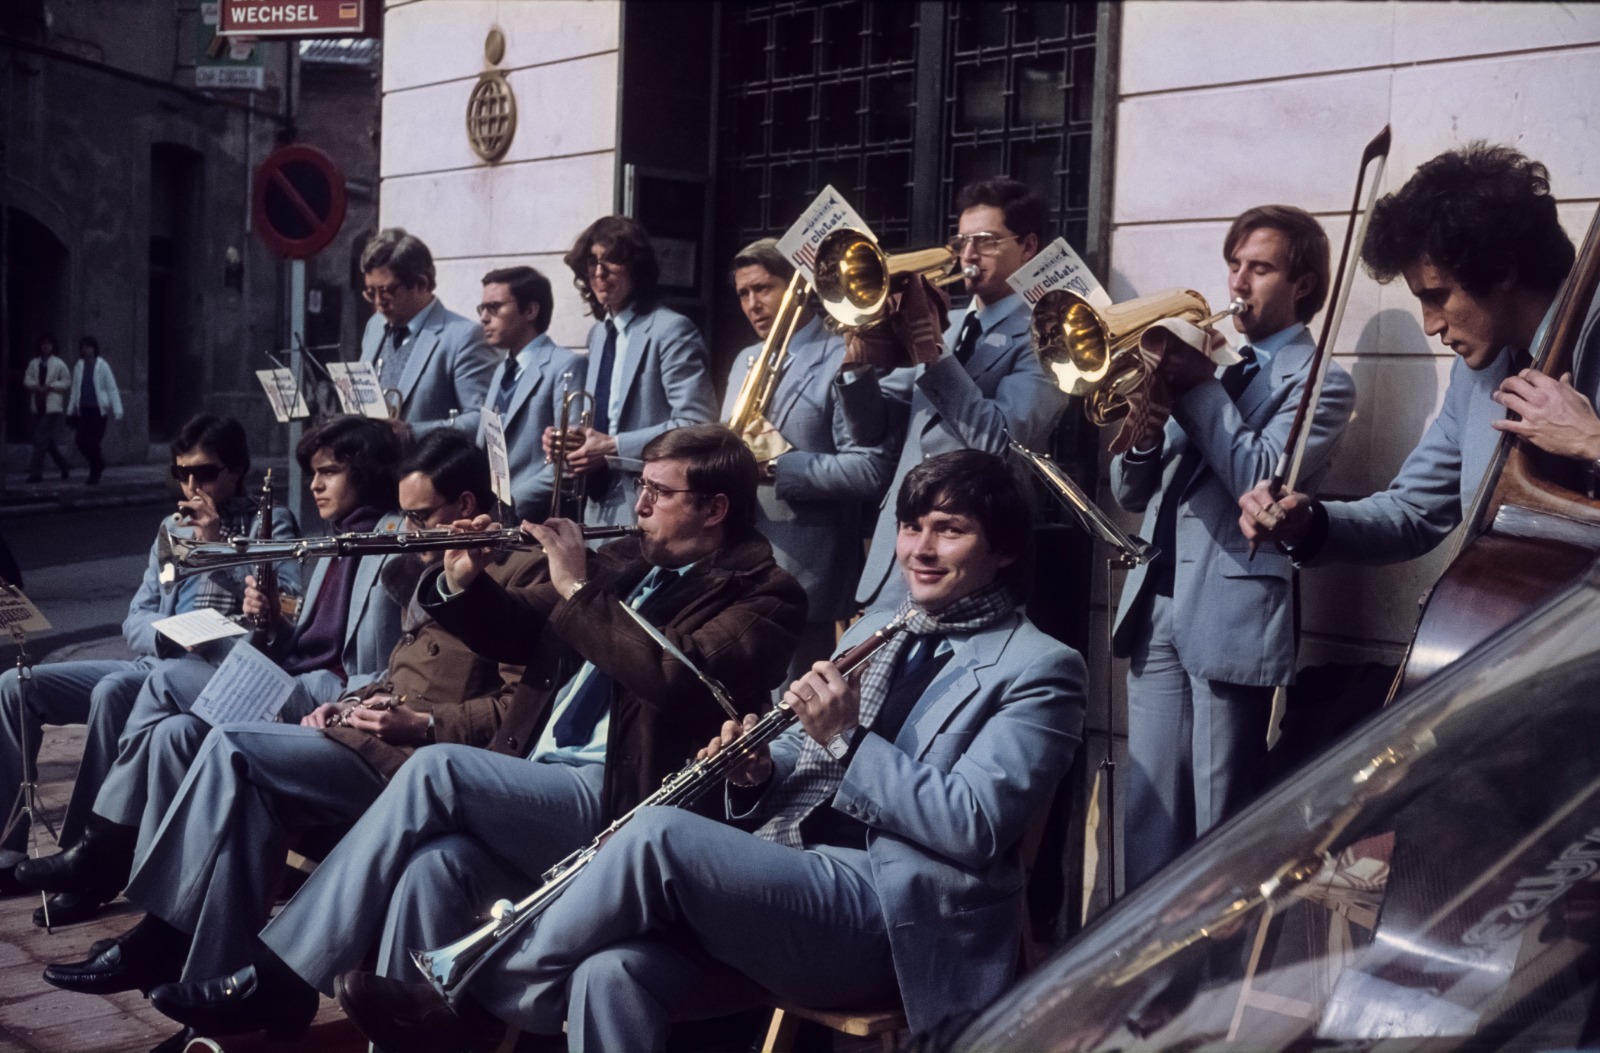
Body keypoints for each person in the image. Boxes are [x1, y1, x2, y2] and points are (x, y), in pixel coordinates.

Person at [324, 449, 1084, 1053]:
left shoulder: (1041, 666)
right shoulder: (885, 626)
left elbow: (978, 827)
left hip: (896, 915)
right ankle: (464, 994)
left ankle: (461, 994)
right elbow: (798, 773)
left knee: (651, 832)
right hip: (788, 877)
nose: (920, 549)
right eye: (912, 527)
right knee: (609, 973)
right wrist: (754, 774)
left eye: (948, 530)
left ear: (1006, 550)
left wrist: (848, 742)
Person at [139, 424, 807, 1045]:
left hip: (621, 803)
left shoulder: (766, 595)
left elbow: (672, 676)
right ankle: (427, 1034)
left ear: (715, 508)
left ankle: (282, 975)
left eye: (659, 493)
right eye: (641, 487)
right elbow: (522, 629)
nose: (639, 504)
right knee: (434, 868)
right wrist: (464, 580)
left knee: (439, 771)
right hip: (541, 777)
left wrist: (577, 587)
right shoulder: (630, 557)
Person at [37, 432, 538, 1047]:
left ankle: (162, 933)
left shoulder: (516, 565)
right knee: (238, 799)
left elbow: (522, 707)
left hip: (416, 759)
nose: (407, 530)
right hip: (366, 729)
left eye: (419, 516)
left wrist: (426, 724)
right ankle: (211, 1013)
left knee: (232, 749)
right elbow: (396, 668)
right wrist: (352, 701)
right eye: (404, 516)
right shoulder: (433, 553)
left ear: (465, 504)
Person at [14, 415, 406, 919]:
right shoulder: (330, 543)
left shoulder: (386, 541)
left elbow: (371, 650)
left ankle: (100, 853)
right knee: (168, 732)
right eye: (181, 472)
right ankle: (150, 897)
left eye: (327, 472)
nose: (313, 484)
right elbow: (296, 633)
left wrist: (235, 564)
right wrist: (265, 623)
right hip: (244, 669)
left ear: (367, 471)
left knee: (160, 682)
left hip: (319, 692)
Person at [1111, 204, 1355, 890]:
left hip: (1229, 609)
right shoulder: (1216, 367)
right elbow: (1132, 491)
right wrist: (1148, 426)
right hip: (1154, 603)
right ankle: (1138, 982)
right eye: (1235, 263)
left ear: (1302, 283)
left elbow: (1264, 485)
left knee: (1221, 825)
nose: (1238, 281)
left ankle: (1214, 981)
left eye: (1261, 267)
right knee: (1148, 814)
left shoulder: (1320, 382)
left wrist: (1196, 389)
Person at [0, 415, 299, 924]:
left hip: (216, 670)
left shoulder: (271, 522)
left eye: (203, 473)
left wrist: (221, 545)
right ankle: (7, 852)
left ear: (237, 470)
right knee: (15, 684)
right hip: (158, 657)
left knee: (113, 692)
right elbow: (136, 615)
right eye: (182, 473)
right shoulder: (169, 528)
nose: (190, 486)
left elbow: (288, 604)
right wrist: (165, 632)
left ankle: (86, 862)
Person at [1239, 143, 1583, 566]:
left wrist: (1592, 441)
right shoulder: (1478, 373)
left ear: (1502, 268)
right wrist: (1309, 523)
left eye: (1438, 296)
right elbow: (1412, 512)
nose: (1431, 325)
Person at [837, 177, 1068, 611]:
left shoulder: (1048, 338)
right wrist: (858, 365)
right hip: (896, 556)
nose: (967, 256)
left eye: (985, 241)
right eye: (961, 241)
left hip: (969, 564)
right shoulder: (952, 323)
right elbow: (872, 431)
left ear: (1029, 246)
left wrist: (933, 350)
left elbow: (1002, 441)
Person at [723, 238, 893, 679]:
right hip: (739, 555)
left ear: (798, 287)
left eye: (764, 288)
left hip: (806, 564)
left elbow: (870, 470)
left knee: (792, 705)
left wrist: (776, 467)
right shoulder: (745, 359)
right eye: (743, 294)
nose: (752, 304)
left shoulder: (842, 353)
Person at [546, 215, 717, 529]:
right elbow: (597, 420)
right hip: (597, 502)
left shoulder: (671, 329)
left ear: (637, 268)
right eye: (591, 262)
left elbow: (698, 423)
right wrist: (567, 440)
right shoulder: (599, 334)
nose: (599, 273)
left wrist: (614, 446)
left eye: (612, 261)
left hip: (651, 500)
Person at [358, 228, 498, 435]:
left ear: (421, 284)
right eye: (371, 293)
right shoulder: (375, 326)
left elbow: (485, 420)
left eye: (386, 292)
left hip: (427, 465)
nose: (378, 303)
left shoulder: (464, 337)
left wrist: (413, 433)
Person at [474, 265, 580, 522]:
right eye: (482, 309)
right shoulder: (502, 369)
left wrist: (507, 506)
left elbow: (569, 460)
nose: (484, 318)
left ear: (531, 310)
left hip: (535, 522)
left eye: (494, 307)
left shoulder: (565, 365)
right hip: (491, 518)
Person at [67, 335, 124, 485]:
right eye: (84, 347)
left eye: (89, 346)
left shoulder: (102, 365)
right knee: (80, 441)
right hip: (83, 410)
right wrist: (70, 410)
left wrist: (118, 410)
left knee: (93, 442)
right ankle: (98, 463)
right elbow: (75, 389)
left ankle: (94, 472)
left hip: (98, 411)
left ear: (94, 348)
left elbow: (111, 388)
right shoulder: (79, 366)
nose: (86, 350)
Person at [22, 335, 71, 483]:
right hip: (38, 404)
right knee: (44, 439)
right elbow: (26, 380)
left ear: (53, 346)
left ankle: (36, 473)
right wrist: (36, 387)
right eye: (43, 343)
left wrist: (51, 387)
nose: (46, 346)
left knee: (40, 438)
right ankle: (63, 465)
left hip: (52, 406)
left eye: (49, 344)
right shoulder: (34, 363)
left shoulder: (59, 363)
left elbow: (67, 381)